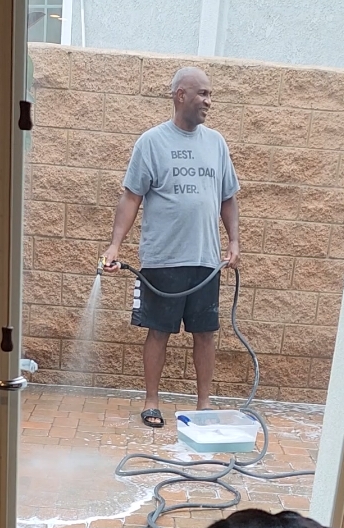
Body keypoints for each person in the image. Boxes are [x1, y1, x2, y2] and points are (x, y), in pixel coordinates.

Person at [102, 66, 240, 428]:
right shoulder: (152, 142)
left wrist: (234, 242)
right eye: (203, 94)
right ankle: (151, 402)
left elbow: (228, 198)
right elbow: (131, 196)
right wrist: (115, 245)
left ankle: (205, 404)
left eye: (210, 94)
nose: (209, 101)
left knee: (206, 333)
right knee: (158, 331)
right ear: (181, 95)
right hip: (162, 259)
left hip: (205, 259)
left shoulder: (217, 143)